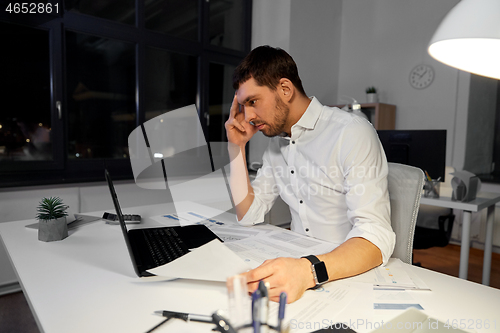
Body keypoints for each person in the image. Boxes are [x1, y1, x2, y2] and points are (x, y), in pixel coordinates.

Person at [225, 45, 395, 303]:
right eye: (243, 105)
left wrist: (307, 271)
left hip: (345, 273)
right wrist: (236, 147)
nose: (247, 116)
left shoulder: (351, 132)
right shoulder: (276, 145)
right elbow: (248, 215)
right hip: (300, 270)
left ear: (285, 89)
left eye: (253, 102)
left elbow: (375, 236)